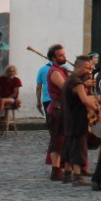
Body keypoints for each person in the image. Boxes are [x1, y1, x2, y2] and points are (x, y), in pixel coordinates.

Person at [61, 55, 98, 186]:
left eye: (90, 68)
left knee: (69, 146)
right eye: (86, 68)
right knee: (78, 147)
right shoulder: (77, 82)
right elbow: (84, 100)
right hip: (77, 119)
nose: (89, 71)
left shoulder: (69, 80)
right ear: (78, 67)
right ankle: (77, 177)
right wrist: (96, 108)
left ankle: (67, 173)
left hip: (69, 118)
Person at [44, 44, 69, 180]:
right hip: (57, 109)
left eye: (64, 55)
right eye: (60, 55)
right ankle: (56, 169)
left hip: (63, 108)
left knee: (63, 139)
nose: (64, 57)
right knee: (57, 139)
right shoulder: (54, 71)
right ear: (53, 58)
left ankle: (63, 167)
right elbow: (65, 87)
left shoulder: (61, 70)